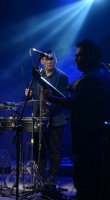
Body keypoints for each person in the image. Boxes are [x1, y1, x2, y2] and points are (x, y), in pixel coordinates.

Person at [43, 39, 110, 200]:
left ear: (91, 57)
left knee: (86, 184)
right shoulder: (100, 75)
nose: (76, 59)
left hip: (88, 143)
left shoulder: (92, 80)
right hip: (93, 142)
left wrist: (50, 98)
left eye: (80, 56)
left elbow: (73, 103)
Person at [25, 50, 69, 187]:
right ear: (42, 61)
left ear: (55, 60)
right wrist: (29, 94)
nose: (49, 61)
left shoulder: (62, 77)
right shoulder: (37, 77)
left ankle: (52, 179)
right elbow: (35, 98)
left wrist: (50, 106)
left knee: (54, 150)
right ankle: (40, 178)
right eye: (47, 59)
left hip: (55, 119)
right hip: (40, 120)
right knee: (39, 149)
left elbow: (64, 99)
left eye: (52, 59)